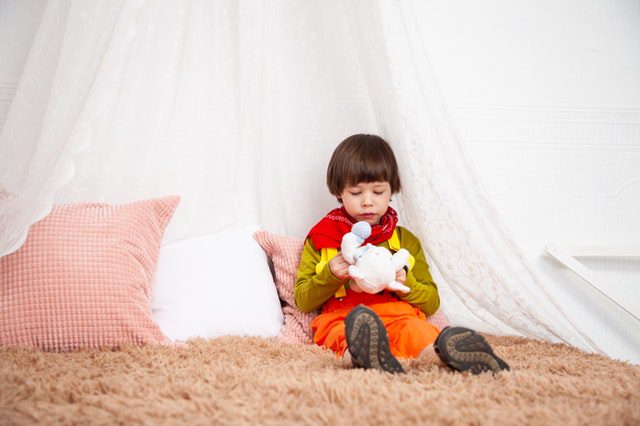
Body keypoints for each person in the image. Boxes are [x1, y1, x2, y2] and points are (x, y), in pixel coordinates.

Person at [294, 134, 509, 375]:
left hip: (399, 315)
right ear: (338, 191)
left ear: (392, 190)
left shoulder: (405, 240)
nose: (367, 202)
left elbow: (431, 302)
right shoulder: (321, 238)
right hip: (346, 318)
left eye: (377, 192)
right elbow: (303, 300)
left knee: (419, 332)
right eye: (356, 193)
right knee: (336, 333)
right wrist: (331, 274)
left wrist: (407, 282)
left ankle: (451, 356)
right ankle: (361, 355)